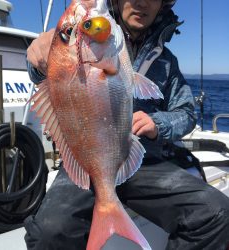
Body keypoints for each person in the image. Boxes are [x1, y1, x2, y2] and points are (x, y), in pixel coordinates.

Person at [24, 0, 229, 249]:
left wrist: (158, 123)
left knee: (218, 213)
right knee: (49, 232)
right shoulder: (79, 42)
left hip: (144, 161)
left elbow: (186, 112)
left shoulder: (166, 62)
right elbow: (46, 71)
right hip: (86, 161)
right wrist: (41, 52)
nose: (142, 3)